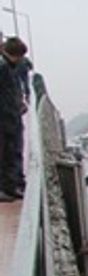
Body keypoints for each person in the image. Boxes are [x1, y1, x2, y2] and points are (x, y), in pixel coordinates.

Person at [0, 36, 27, 203]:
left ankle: (13, 185)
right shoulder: (3, 68)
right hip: (5, 120)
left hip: (11, 116)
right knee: (8, 153)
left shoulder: (8, 67)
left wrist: (19, 105)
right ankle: (7, 188)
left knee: (13, 152)